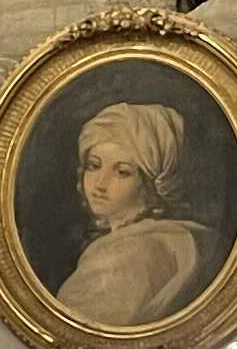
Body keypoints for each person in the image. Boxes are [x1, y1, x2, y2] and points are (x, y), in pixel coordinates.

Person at [56, 98, 210, 325]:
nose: (100, 183)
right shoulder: (163, 238)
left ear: (150, 184)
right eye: (94, 166)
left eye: (122, 172)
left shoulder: (130, 254)